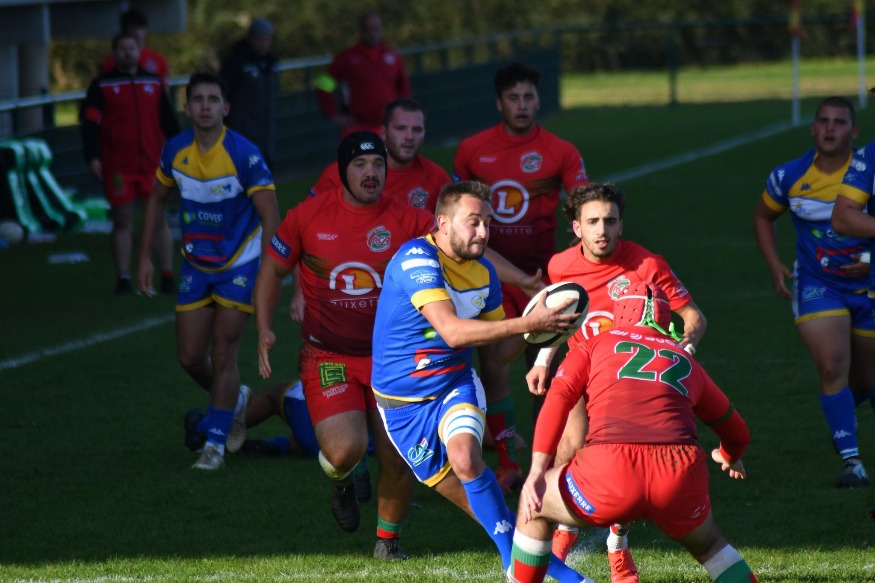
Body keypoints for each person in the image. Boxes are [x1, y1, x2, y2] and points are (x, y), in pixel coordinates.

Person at [371, 180, 591, 582]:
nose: (484, 232)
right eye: (473, 222)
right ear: (442, 223)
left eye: (487, 223)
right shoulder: (415, 260)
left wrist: (546, 333)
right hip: (400, 408)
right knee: (478, 503)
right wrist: (530, 321)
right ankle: (528, 559)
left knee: (466, 458)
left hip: (453, 385)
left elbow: (498, 352)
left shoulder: (485, 273)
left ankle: (530, 570)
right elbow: (453, 332)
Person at [254, 131, 435, 560]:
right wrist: (264, 328)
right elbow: (271, 270)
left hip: (393, 356)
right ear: (341, 171)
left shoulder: (411, 219)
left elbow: (464, 250)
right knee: (342, 451)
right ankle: (343, 479)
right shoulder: (307, 216)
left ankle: (387, 542)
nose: (371, 173)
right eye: (360, 165)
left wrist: (522, 280)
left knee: (398, 455)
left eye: (378, 165)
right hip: (328, 355)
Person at [508, 282, 758, 583]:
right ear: (666, 319)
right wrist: (729, 455)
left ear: (619, 313)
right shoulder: (686, 360)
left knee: (534, 508)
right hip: (677, 474)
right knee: (711, 547)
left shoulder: (593, 344)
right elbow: (738, 432)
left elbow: (558, 400)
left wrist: (537, 470)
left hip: (610, 469)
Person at [526, 182, 706, 573]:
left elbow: (695, 318)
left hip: (632, 378)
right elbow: (561, 319)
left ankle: (617, 540)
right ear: (576, 227)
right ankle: (563, 534)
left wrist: (682, 354)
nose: (602, 230)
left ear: (621, 224)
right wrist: (543, 358)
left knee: (627, 453)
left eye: (610, 221)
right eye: (592, 222)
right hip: (582, 369)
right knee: (568, 448)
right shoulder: (560, 266)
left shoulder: (648, 265)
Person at [453, 61, 589, 495]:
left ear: (538, 100)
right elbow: (457, 215)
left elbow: (583, 206)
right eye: (513, 98)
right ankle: (509, 463)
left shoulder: (560, 151)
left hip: (546, 278)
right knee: (494, 363)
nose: (522, 105)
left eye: (529, 97)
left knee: (547, 372)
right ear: (499, 103)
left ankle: (547, 462)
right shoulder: (472, 150)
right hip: (489, 278)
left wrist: (571, 266)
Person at [136, 72, 280, 471]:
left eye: (213, 99)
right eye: (197, 99)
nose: (205, 106)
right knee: (189, 358)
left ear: (225, 108)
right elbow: (156, 200)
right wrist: (144, 257)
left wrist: (269, 271)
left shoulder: (243, 154)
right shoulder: (175, 151)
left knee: (223, 352)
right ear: (186, 108)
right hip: (195, 264)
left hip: (240, 263)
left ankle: (214, 445)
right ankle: (233, 400)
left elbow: (271, 215)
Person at [757, 96, 872, 489]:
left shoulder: (867, 172)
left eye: (839, 122)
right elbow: (763, 216)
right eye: (823, 120)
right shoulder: (788, 176)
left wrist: (870, 258)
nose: (830, 128)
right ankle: (852, 462)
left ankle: (843, 411)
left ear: (854, 132)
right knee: (833, 363)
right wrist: (775, 264)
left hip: (869, 286)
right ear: (812, 128)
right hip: (818, 284)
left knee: (864, 380)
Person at [81, 32, 179, 295]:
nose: (127, 53)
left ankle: (167, 275)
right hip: (118, 166)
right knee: (122, 219)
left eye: (131, 48)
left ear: (139, 51)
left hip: (152, 164)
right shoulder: (101, 86)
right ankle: (123, 277)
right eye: (122, 49)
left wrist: (179, 155)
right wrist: (92, 156)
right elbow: (90, 124)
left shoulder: (154, 83)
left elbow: (169, 122)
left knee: (158, 219)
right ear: (114, 53)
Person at [310, 98, 449, 211]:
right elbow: (306, 220)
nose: (409, 136)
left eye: (417, 130)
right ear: (383, 133)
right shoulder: (339, 173)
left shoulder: (437, 177)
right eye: (401, 128)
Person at [315, 12, 411, 137]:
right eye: (368, 30)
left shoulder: (393, 57)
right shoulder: (348, 58)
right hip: (358, 127)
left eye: (375, 29)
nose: (372, 34)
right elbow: (324, 83)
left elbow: (403, 89)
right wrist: (333, 114)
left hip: (388, 127)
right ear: (361, 31)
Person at [220, 18, 279, 168]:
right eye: (259, 39)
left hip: (265, 135)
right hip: (242, 133)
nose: (263, 44)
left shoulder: (270, 65)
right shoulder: (237, 63)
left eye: (266, 39)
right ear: (250, 39)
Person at [101, 9, 170, 87]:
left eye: (140, 27)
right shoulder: (113, 59)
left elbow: (164, 87)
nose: (136, 32)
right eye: (132, 27)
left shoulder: (158, 59)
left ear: (146, 29)